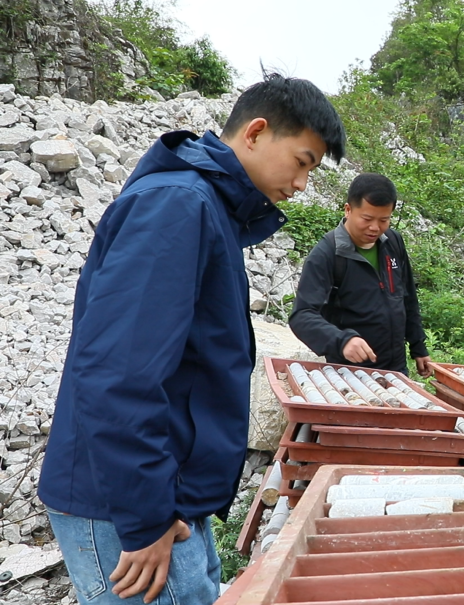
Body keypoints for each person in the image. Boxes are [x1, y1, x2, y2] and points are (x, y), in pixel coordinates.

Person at [38, 74, 346, 604]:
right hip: (124, 503)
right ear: (255, 132)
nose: (301, 185)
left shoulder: (207, 207)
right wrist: (145, 518)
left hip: (162, 492)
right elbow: (118, 371)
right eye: (302, 162)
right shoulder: (177, 206)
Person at [289, 172, 432, 376]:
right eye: (367, 218)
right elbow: (301, 316)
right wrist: (342, 341)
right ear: (348, 210)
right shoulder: (327, 253)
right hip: (350, 373)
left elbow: (407, 297)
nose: (375, 228)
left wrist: (418, 346)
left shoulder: (393, 242)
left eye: (384, 220)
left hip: (396, 370)